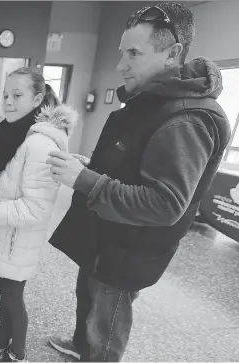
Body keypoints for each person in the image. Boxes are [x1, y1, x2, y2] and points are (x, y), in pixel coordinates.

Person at [46, 3, 231, 361]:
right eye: (122, 52)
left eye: (133, 53)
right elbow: (133, 161)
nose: (120, 64)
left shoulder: (188, 119)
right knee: (88, 296)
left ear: (172, 53)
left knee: (108, 318)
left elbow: (164, 204)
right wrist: (93, 167)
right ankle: (82, 346)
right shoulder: (153, 101)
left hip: (129, 249)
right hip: (106, 237)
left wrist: (86, 180)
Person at [0, 67, 79, 362]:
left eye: (17, 95)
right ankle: (1, 342)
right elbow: (8, 185)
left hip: (19, 238)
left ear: (37, 98)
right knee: (6, 288)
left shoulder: (39, 144)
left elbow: (35, 208)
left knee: (13, 296)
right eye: (5, 95)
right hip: (11, 235)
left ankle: (17, 354)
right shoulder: (20, 134)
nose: (8, 102)